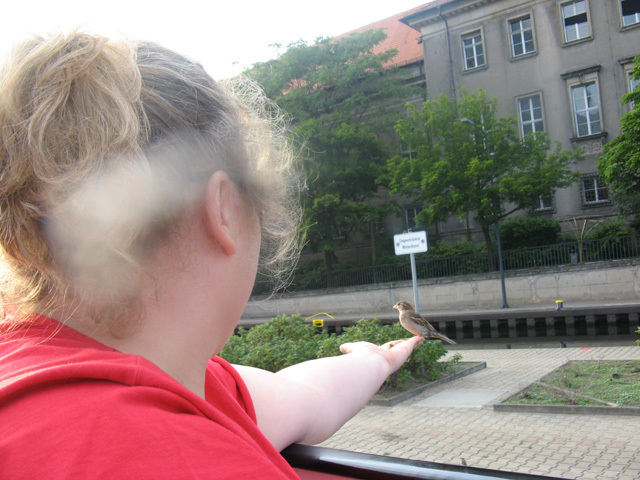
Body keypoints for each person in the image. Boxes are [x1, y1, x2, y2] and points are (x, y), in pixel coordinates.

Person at [0, 32, 422, 478]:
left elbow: (304, 395)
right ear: (224, 209)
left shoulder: (36, 366)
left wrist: (373, 360)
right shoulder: (195, 461)